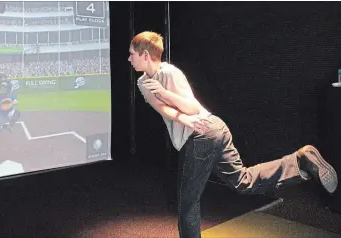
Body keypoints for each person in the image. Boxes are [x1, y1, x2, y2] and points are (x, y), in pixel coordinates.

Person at [128, 31, 338, 238]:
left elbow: (192, 108)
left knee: (187, 202)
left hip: (202, 134)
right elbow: (163, 109)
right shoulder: (142, 82)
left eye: (132, 54)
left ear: (145, 55)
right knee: (243, 181)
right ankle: (300, 161)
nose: (129, 59)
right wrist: (181, 118)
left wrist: (165, 93)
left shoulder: (170, 73)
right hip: (212, 130)